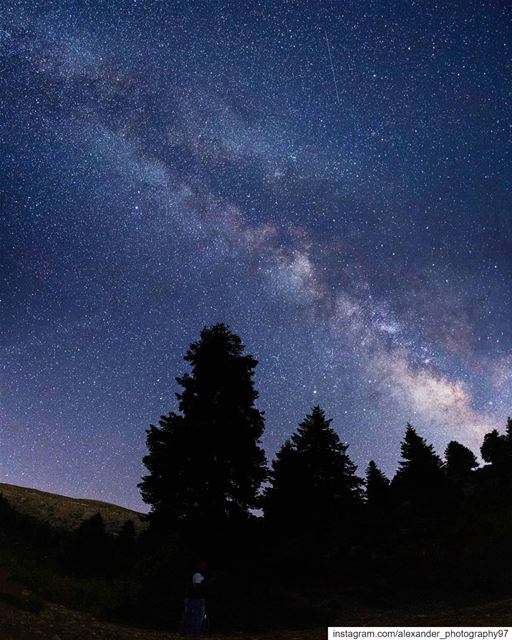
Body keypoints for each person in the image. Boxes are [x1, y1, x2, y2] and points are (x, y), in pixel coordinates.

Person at [180, 560, 209, 635]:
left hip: (195, 598)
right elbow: (196, 586)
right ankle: (194, 632)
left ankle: (189, 632)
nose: (205, 567)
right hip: (195, 599)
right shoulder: (197, 575)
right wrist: (205, 584)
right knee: (196, 616)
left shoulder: (198, 574)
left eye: (205, 565)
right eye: (203, 565)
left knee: (193, 616)